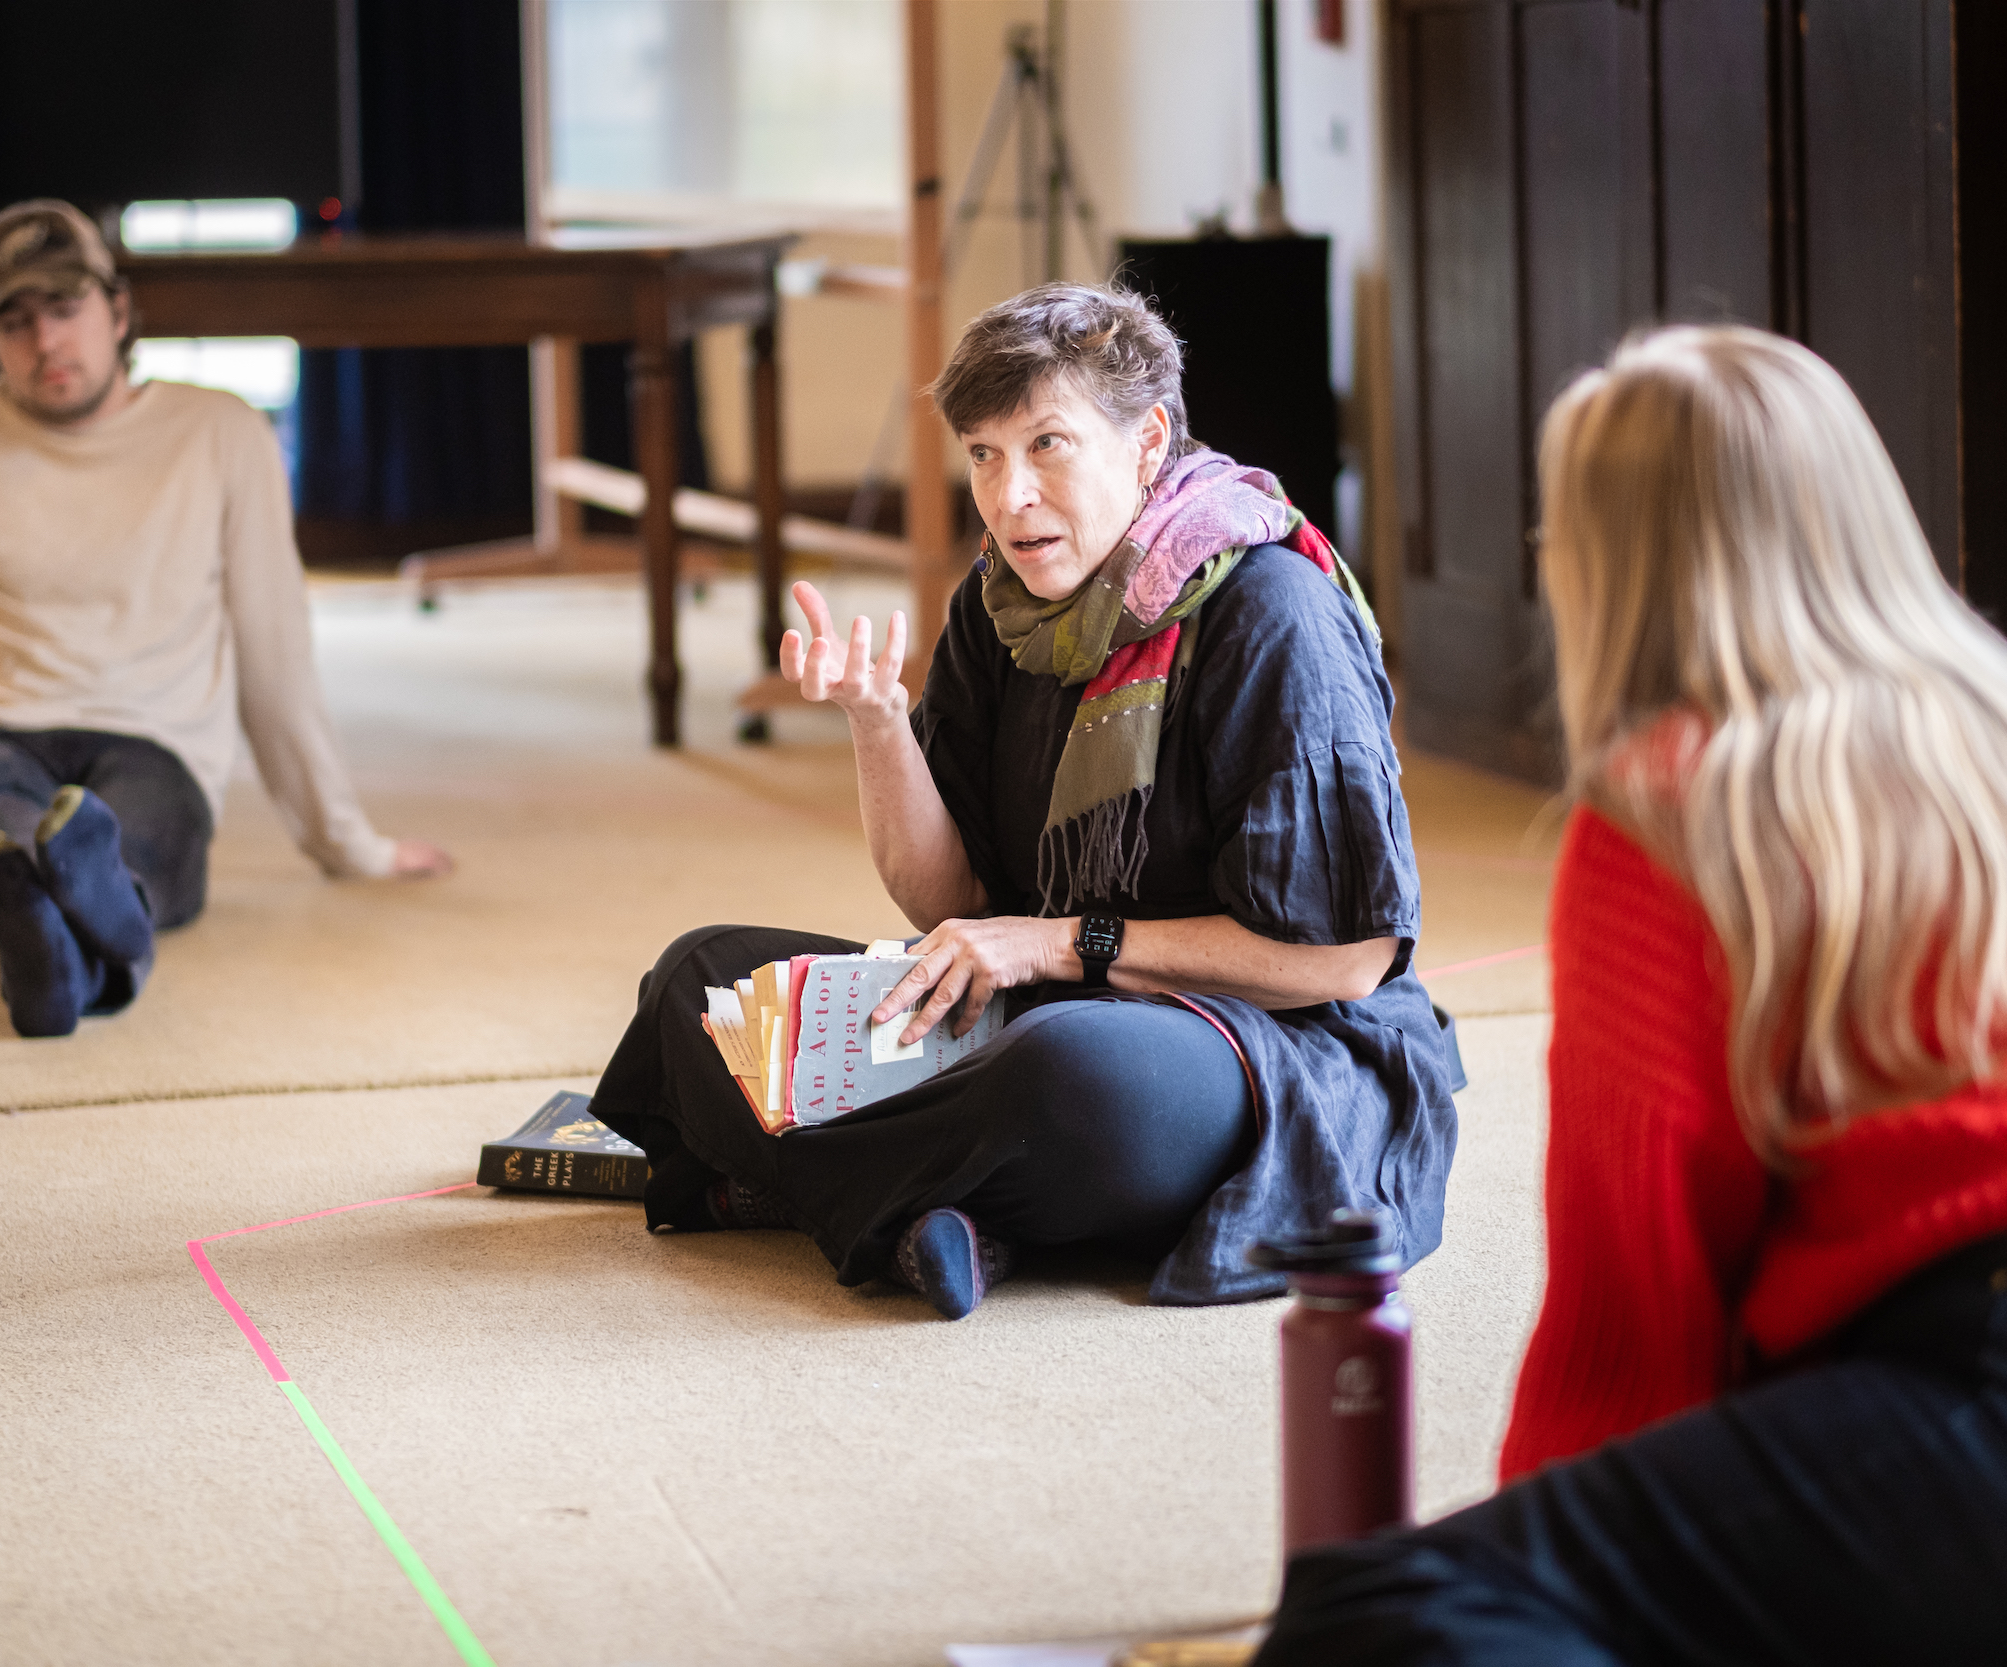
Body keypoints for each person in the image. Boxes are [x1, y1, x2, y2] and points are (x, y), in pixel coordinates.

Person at [1259, 327, 2007, 1662]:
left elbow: (1638, 1301)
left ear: (1598, 565)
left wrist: (1558, 1553)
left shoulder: (1678, 799)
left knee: (1376, 1606)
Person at [589, 283, 1461, 1319]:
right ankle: (934, 1211)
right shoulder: (999, 603)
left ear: (1146, 443)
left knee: (1068, 1078)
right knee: (698, 979)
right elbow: (942, 898)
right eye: (984, 455)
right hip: (1035, 1008)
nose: (1009, 499)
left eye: (1047, 444)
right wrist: (877, 721)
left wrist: (1062, 945)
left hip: (1263, 1043)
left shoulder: (1273, 614)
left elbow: (1348, 958)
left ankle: (804, 1184)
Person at [0, 199, 446, 1037]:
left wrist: (351, 842)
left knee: (122, 826)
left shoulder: (222, 433)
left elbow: (276, 653)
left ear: (119, 312)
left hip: (150, 747)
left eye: (65, 308)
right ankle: (63, 921)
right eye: (15, 320)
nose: (46, 341)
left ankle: (44, 922)